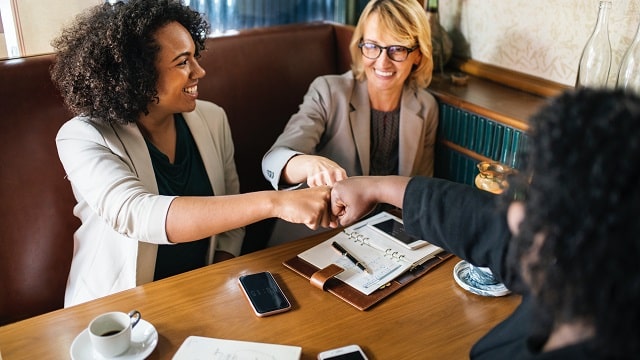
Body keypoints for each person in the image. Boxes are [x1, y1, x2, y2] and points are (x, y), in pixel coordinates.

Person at [51, 0, 335, 307]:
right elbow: (137, 213)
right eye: (182, 62)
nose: (199, 70)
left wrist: (216, 280)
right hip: (115, 310)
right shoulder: (82, 136)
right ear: (138, 75)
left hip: (202, 294)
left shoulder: (212, 119)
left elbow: (231, 221)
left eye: (194, 56)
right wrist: (277, 202)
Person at [330, 89, 640, 358]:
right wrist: (377, 188)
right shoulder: (584, 278)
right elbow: (482, 220)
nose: (514, 214)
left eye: (535, 197)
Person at [262, 0, 437, 245]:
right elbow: (274, 160)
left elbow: (420, 191)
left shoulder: (426, 106)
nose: (382, 62)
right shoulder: (328, 91)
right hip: (312, 240)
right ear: (360, 45)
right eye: (372, 46)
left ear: (418, 54)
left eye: (397, 49)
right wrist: (310, 164)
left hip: (384, 243)